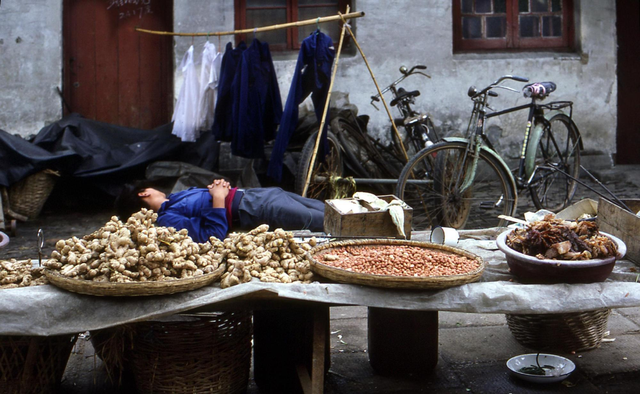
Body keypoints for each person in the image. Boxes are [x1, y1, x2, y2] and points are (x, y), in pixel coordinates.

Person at [115, 180, 325, 242]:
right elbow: (212, 234)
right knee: (323, 220)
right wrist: (218, 197)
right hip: (258, 210)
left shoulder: (176, 197)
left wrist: (220, 186)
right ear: (143, 194)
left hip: (262, 195)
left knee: (331, 210)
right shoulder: (168, 219)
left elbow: (218, 193)